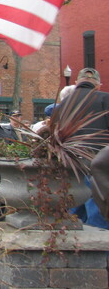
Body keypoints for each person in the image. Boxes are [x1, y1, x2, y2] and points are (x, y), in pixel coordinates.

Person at [59, 68, 109, 228]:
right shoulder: (105, 98)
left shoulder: (64, 103)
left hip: (71, 166)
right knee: (99, 216)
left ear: (76, 83)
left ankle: (74, 251)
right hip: (98, 167)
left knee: (74, 217)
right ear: (98, 85)